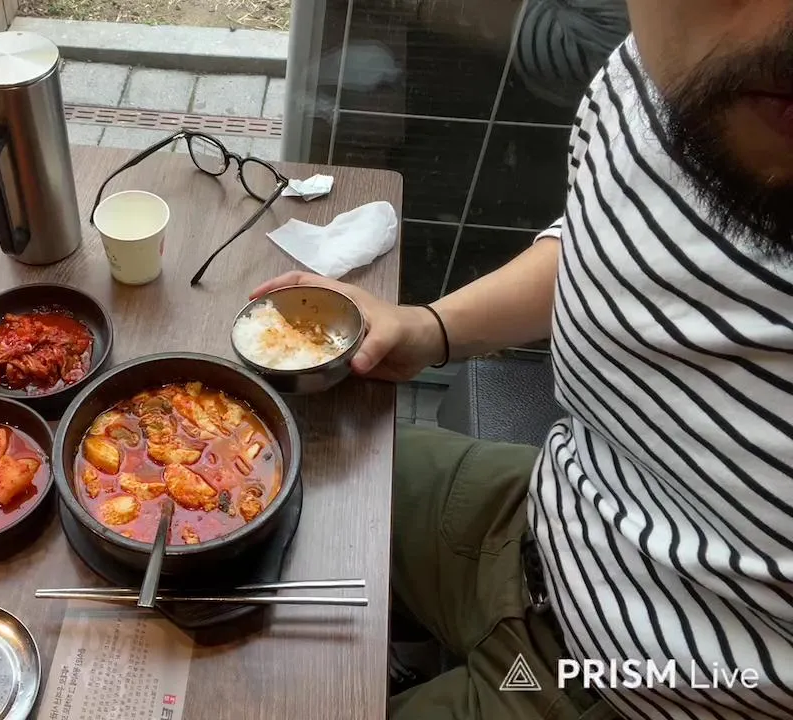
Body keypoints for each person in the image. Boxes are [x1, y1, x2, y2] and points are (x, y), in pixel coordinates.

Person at [252, 1, 793, 718]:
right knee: (280, 467)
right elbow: (608, 232)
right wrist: (431, 327)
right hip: (539, 513)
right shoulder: (678, 63)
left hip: (634, 686)